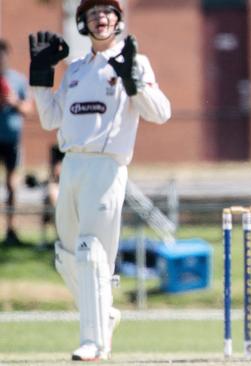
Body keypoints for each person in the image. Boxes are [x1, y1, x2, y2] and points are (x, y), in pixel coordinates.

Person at [29, 0, 171, 361]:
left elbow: (161, 113)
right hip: (73, 165)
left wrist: (133, 82)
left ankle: (95, 344)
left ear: (118, 19)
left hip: (107, 168)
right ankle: (104, 313)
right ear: (83, 23)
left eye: (107, 11)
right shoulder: (76, 68)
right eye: (93, 13)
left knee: (91, 253)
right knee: (66, 257)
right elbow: (49, 120)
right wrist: (41, 76)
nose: (101, 17)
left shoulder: (134, 62)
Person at [0, 39, 32, 246]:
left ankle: (11, 229)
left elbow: (28, 109)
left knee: (12, 185)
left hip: (12, 141)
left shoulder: (18, 80)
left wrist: (14, 101)